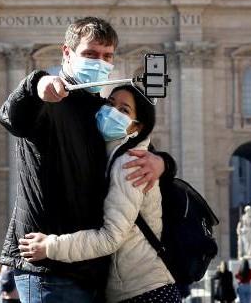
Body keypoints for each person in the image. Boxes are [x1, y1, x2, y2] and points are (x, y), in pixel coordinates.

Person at [0, 17, 176, 302]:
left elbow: (132, 146)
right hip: (48, 265)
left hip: (91, 269)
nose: (100, 62)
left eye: (107, 56)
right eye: (90, 54)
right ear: (67, 53)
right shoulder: (48, 102)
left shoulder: (100, 110)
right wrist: (37, 84)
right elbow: (12, 117)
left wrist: (163, 162)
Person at [18, 84, 178, 303]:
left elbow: (111, 238)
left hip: (142, 291)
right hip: (135, 288)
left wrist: (50, 247)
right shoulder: (113, 155)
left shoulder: (130, 164)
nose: (112, 112)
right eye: (110, 104)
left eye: (124, 110)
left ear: (136, 127)